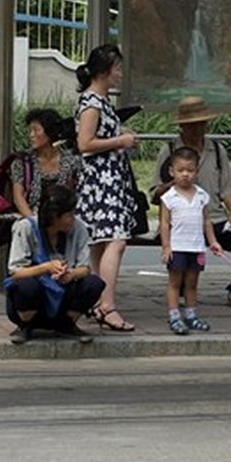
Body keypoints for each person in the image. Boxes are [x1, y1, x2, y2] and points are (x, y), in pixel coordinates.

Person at [154, 97, 231, 311]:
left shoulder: (217, 150)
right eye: (192, 125)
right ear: (182, 126)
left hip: (213, 218)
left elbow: (227, 188)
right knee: (180, 252)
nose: (197, 129)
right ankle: (178, 289)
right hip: (179, 222)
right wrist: (176, 182)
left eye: (201, 123)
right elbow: (155, 192)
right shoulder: (168, 151)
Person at [74, 43, 139, 332]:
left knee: (101, 243)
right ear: (103, 71)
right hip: (102, 181)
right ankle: (107, 304)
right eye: (117, 69)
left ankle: (96, 299)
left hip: (109, 179)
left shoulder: (100, 101)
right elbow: (84, 144)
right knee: (117, 240)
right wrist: (120, 141)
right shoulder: (92, 104)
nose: (120, 74)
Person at [5, 184, 104, 345]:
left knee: (94, 283)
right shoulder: (25, 228)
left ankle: (66, 323)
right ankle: (25, 325)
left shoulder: (79, 228)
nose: (72, 218)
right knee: (26, 286)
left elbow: (85, 268)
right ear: (54, 217)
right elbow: (16, 272)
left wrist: (70, 274)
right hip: (36, 292)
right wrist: (46, 268)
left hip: (63, 291)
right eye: (68, 215)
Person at [159, 147, 223, 335]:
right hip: (177, 247)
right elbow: (164, 224)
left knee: (192, 282)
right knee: (175, 282)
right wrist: (166, 246)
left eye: (190, 170)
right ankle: (174, 315)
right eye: (181, 170)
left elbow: (206, 221)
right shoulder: (169, 197)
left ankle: (191, 314)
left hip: (196, 247)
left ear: (197, 171)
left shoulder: (202, 196)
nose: (185, 174)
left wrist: (213, 242)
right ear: (172, 171)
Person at [10, 107, 80, 218]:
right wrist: (32, 221)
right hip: (31, 217)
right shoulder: (23, 161)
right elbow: (18, 197)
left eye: (36, 130)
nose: (31, 135)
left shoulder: (71, 161)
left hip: (62, 218)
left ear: (50, 131)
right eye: (30, 131)